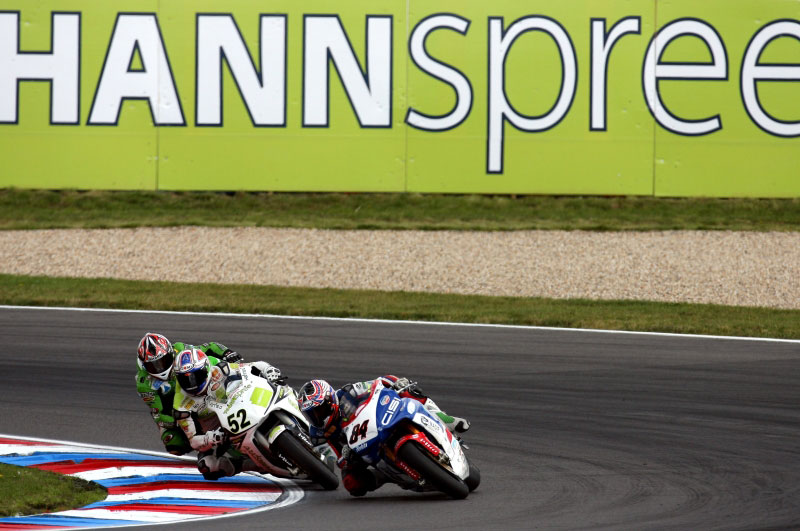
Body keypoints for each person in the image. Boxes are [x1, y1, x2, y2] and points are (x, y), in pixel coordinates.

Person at [297, 375, 470, 496]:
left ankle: (445, 419)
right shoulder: (317, 435)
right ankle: (388, 476)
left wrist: (396, 382)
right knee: (352, 484)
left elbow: (378, 383)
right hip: (360, 452)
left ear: (330, 400)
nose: (316, 417)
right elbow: (338, 460)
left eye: (319, 410)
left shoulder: (348, 392)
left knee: (409, 392)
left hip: (378, 421)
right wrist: (346, 457)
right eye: (310, 415)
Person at [171, 347, 285, 480]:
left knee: (278, 386)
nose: (192, 383)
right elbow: (193, 441)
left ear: (206, 368)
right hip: (221, 433)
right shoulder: (180, 405)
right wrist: (211, 438)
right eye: (185, 379)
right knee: (207, 466)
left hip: (240, 403)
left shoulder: (216, 366)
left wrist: (267, 370)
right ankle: (249, 465)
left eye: (196, 376)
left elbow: (248, 367)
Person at [135, 332, 243, 456]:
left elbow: (208, 347)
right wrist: (181, 419)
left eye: (163, 361)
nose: (159, 368)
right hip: (177, 409)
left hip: (202, 388)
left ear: (171, 353)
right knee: (174, 445)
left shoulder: (180, 349)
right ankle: (205, 446)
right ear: (144, 365)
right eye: (153, 366)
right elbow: (159, 415)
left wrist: (227, 353)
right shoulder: (144, 384)